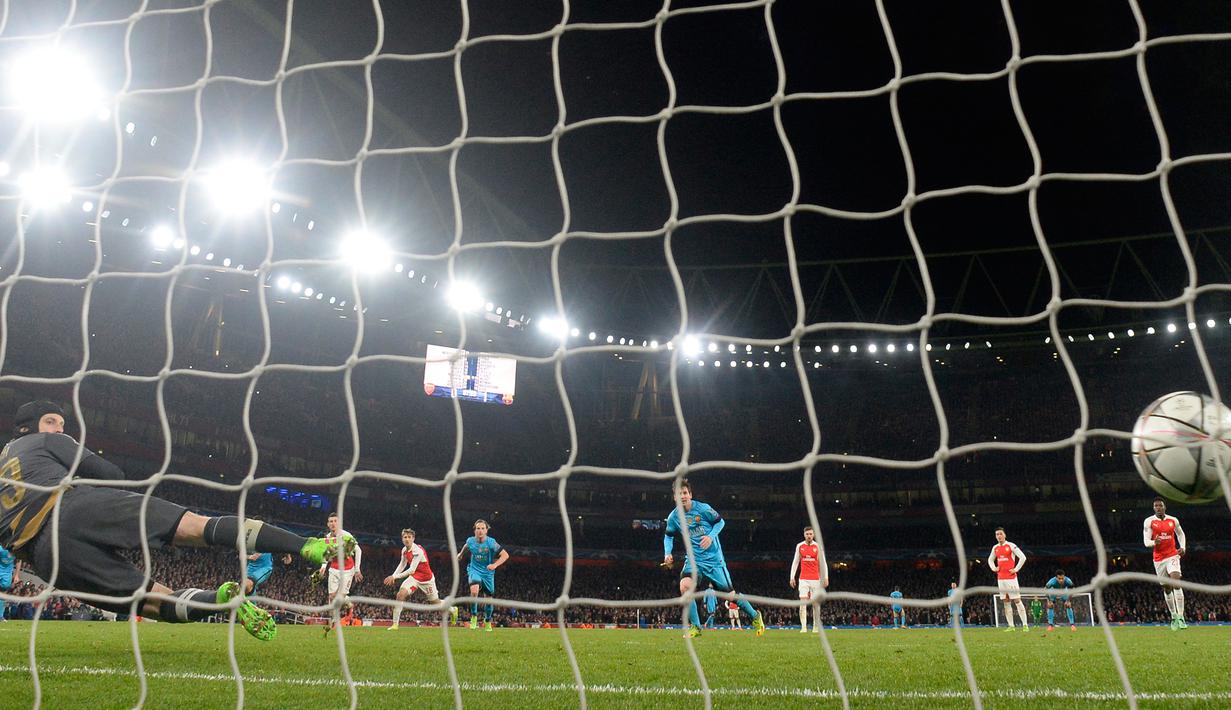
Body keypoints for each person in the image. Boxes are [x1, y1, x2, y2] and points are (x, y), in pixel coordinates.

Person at [0, 400, 348, 640]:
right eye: (51, 422)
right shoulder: (45, 441)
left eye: (61, 425)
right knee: (195, 527)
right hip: (72, 508)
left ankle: (222, 599)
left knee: (150, 602)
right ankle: (308, 545)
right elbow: (109, 472)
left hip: (45, 558)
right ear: (28, 427)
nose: (59, 430)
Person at [662, 480, 765, 638]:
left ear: (690, 494)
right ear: (674, 497)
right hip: (693, 559)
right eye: (679, 493)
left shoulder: (703, 509)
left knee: (730, 595)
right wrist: (667, 553)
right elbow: (668, 536)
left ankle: (755, 616)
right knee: (685, 587)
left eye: (685, 493)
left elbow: (720, 522)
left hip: (713, 559)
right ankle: (696, 627)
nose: (682, 496)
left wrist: (710, 537)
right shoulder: (674, 517)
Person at [313, 511, 362, 634]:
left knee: (340, 597)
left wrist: (357, 570)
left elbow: (358, 550)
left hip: (347, 570)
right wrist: (323, 566)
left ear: (339, 523)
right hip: (334, 568)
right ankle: (334, 621)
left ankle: (349, 604)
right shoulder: (328, 538)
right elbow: (326, 554)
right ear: (328, 524)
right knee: (331, 596)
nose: (333, 523)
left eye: (335, 521)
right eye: (331, 521)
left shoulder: (346, 536)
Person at [384, 528, 440, 629]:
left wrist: (395, 577)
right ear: (402, 539)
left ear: (413, 539)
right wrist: (393, 575)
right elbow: (403, 564)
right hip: (414, 578)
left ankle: (452, 609)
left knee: (435, 602)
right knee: (400, 595)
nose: (407, 539)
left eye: (409, 537)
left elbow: (411, 570)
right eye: (405, 537)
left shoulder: (417, 551)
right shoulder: (404, 550)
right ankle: (395, 624)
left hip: (427, 579)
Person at [1144, 497, 1187, 630]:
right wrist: (1153, 543)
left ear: (1164, 507)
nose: (1158, 508)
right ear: (1153, 508)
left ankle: (1181, 617)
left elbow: (1180, 534)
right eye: (1156, 506)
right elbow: (1146, 542)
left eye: (1160, 505)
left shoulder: (1173, 520)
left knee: (1176, 581)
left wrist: (1183, 547)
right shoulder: (1149, 522)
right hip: (1158, 559)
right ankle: (1173, 616)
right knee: (1166, 588)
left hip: (1172, 555)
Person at [457, 519, 508, 631]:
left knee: (488, 599)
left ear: (486, 530)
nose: (480, 531)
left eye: (482, 528)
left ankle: (488, 620)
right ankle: (474, 617)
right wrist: (460, 554)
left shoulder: (491, 543)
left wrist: (495, 565)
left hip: (488, 573)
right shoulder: (471, 541)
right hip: (474, 569)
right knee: (474, 591)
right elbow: (466, 546)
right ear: (475, 530)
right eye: (478, 528)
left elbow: (505, 555)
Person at [987, 527, 1028, 631]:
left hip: (1011, 578)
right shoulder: (995, 547)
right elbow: (990, 559)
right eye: (997, 534)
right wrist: (993, 568)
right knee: (1006, 601)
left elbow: (1023, 557)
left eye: (1000, 534)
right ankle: (1011, 626)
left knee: (1017, 600)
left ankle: (1025, 625)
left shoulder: (1011, 545)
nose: (999, 536)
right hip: (1001, 578)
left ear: (1005, 535)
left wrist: (1016, 569)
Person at [789, 525, 827, 633]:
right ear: (804, 535)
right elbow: (795, 562)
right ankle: (804, 627)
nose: (809, 536)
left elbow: (823, 563)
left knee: (816, 604)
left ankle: (815, 626)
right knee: (803, 603)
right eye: (807, 534)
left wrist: (825, 577)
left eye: (811, 534)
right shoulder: (799, 546)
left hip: (816, 579)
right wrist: (792, 577)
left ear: (813, 534)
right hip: (803, 579)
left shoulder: (818, 546)